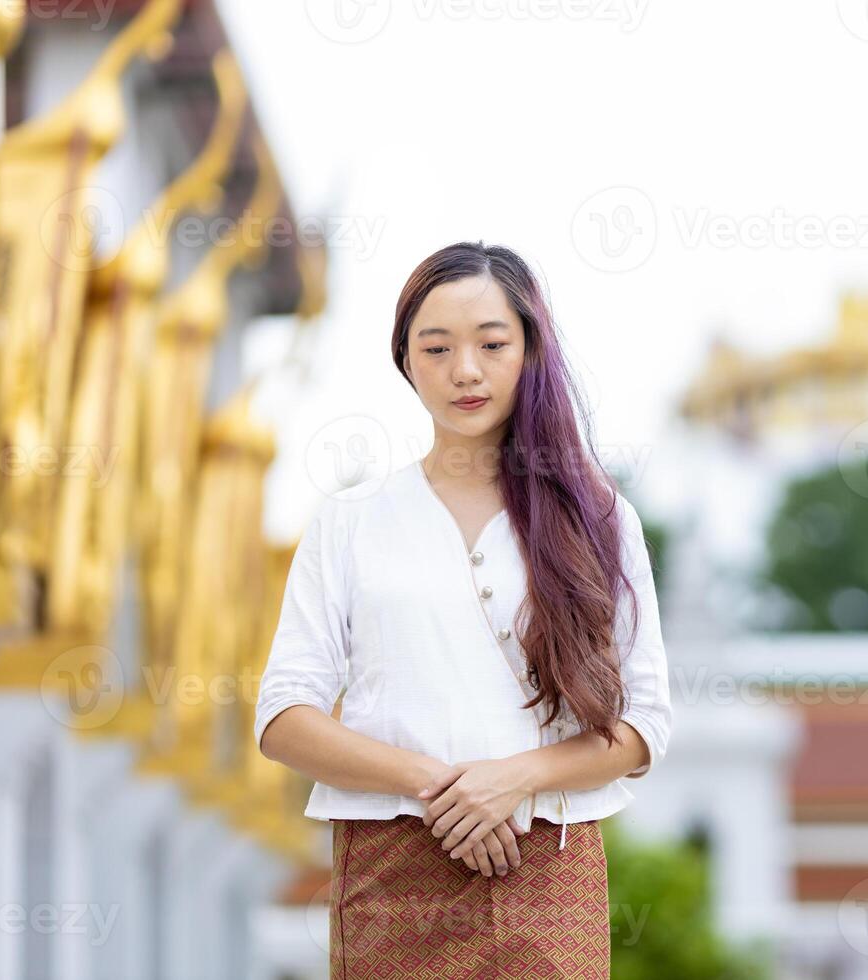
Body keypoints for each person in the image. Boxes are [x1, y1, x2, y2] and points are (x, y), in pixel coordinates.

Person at [253, 241, 672, 978]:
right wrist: (439, 787)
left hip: (548, 863)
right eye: (437, 347)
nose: (465, 371)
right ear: (406, 360)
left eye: (491, 343)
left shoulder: (599, 520)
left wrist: (514, 779)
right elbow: (284, 717)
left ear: (530, 350)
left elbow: (643, 727)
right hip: (390, 868)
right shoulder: (351, 520)